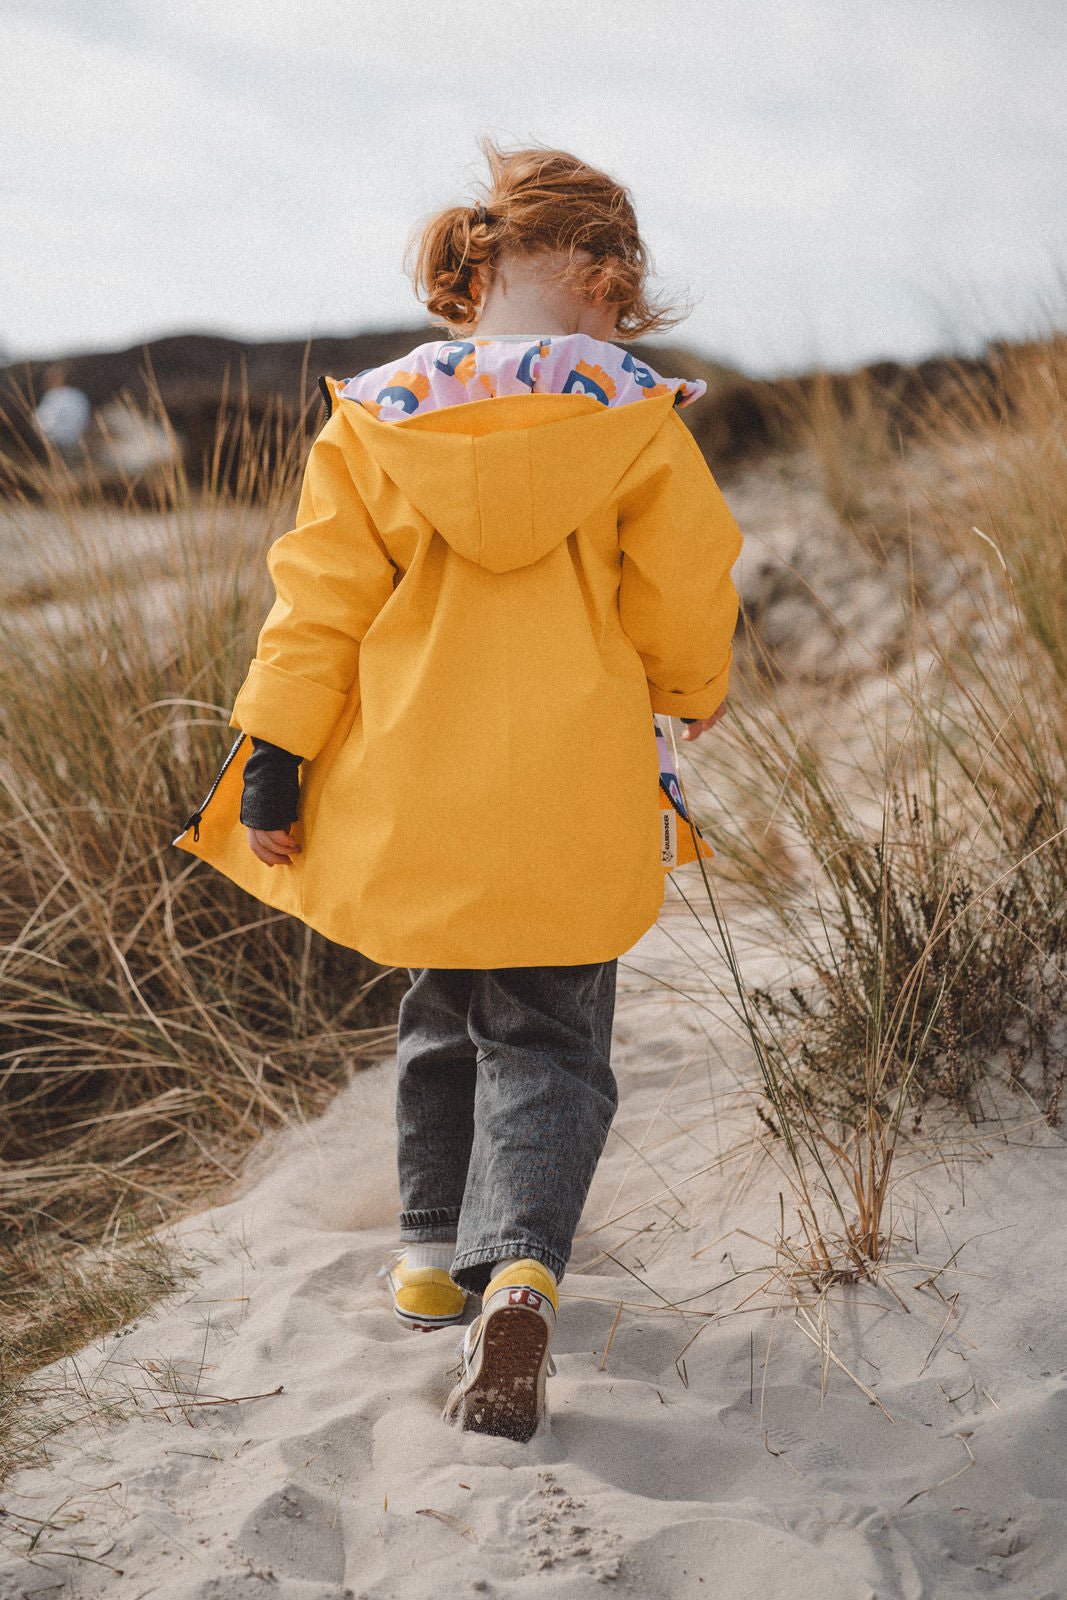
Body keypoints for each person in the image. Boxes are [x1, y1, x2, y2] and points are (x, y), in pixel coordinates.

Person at [173, 138, 743, 1443]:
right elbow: (683, 589)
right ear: (606, 283)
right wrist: (687, 680)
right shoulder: (635, 421)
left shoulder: (372, 419)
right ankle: (521, 1274)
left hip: (414, 800)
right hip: (567, 794)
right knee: (550, 1037)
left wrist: (274, 758)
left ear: (474, 274)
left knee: (439, 1011)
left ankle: (429, 1256)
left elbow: (312, 608)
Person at [33, 362, 92, 463]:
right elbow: (85, 421)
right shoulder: (79, 395)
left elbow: (44, 424)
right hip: (77, 442)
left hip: (57, 443)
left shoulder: (52, 396)